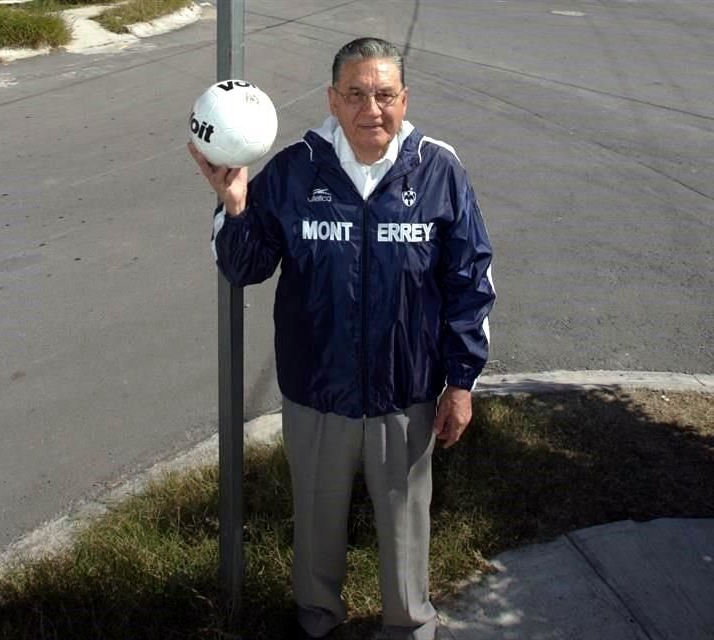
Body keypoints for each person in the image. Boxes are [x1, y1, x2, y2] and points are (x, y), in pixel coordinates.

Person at [188, 37, 495, 640]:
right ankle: (317, 619)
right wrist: (233, 207)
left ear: (404, 99)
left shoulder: (438, 170)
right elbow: (246, 266)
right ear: (332, 99)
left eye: (384, 94)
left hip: (403, 394)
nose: (370, 109)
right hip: (316, 393)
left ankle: (409, 623)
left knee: (406, 523)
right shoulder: (297, 169)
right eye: (355, 94)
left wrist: (461, 383)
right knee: (317, 523)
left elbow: (470, 280)